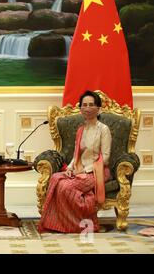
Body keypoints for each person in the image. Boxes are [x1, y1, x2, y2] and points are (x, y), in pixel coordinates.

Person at [38, 90, 112, 233]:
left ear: (98, 108)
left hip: (97, 172)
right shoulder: (81, 130)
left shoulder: (104, 129)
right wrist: (70, 168)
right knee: (55, 178)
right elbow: (76, 154)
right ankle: (58, 223)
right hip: (79, 169)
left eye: (91, 105)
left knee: (65, 187)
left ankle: (77, 225)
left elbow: (106, 157)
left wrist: (86, 170)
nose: (88, 108)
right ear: (81, 108)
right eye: (84, 105)